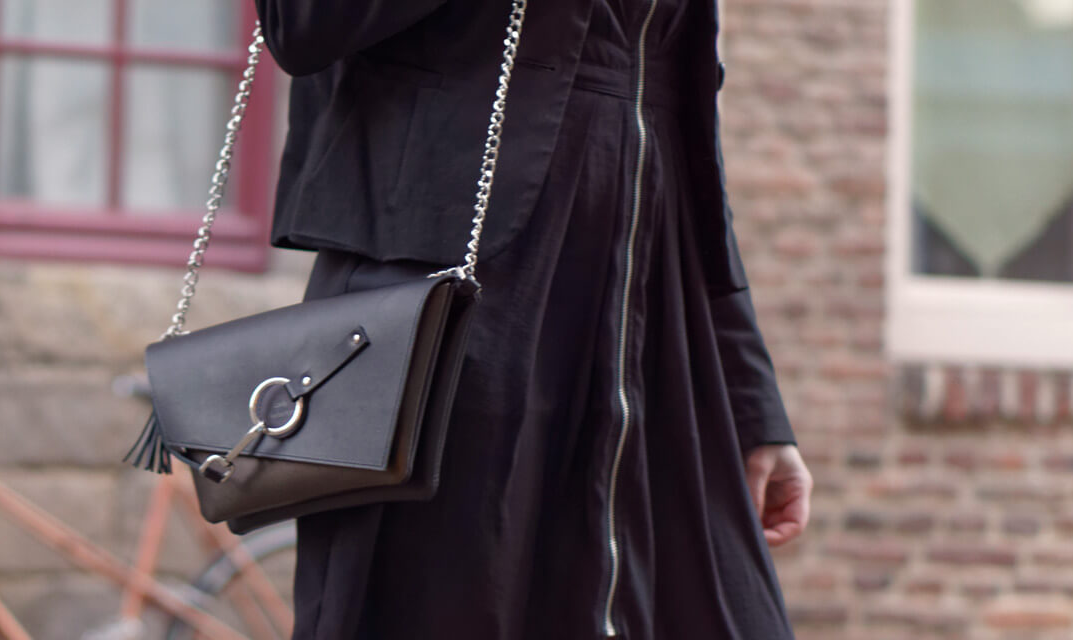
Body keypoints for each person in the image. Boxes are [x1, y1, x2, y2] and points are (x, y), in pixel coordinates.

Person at [256, 0, 813, 637]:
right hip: (447, 310)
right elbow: (300, 24)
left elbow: (671, 120)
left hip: (654, 322)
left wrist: (750, 401)